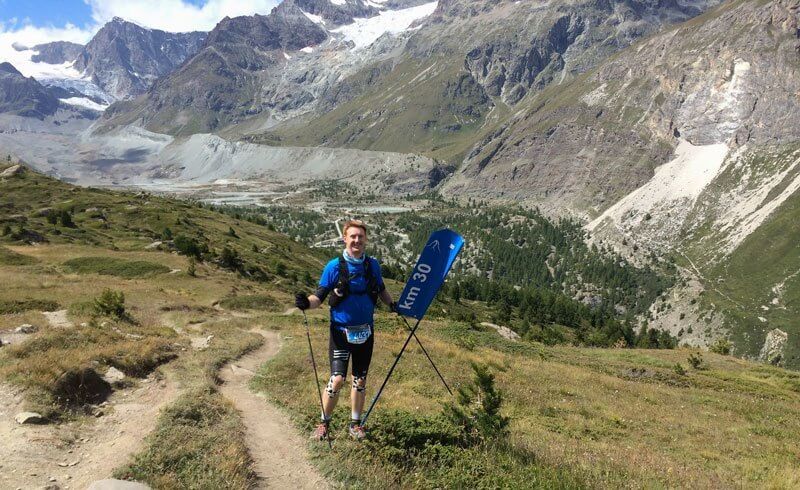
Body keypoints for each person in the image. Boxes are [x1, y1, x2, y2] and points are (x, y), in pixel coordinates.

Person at [295, 219, 395, 441]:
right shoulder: (334, 267)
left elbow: (381, 290)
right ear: (345, 239)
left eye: (360, 236)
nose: (357, 240)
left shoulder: (372, 266)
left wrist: (393, 305)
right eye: (353, 237)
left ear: (365, 239)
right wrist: (305, 303)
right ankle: (323, 423)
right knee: (337, 379)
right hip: (340, 333)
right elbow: (318, 297)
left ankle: (355, 424)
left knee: (360, 380)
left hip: (365, 332)